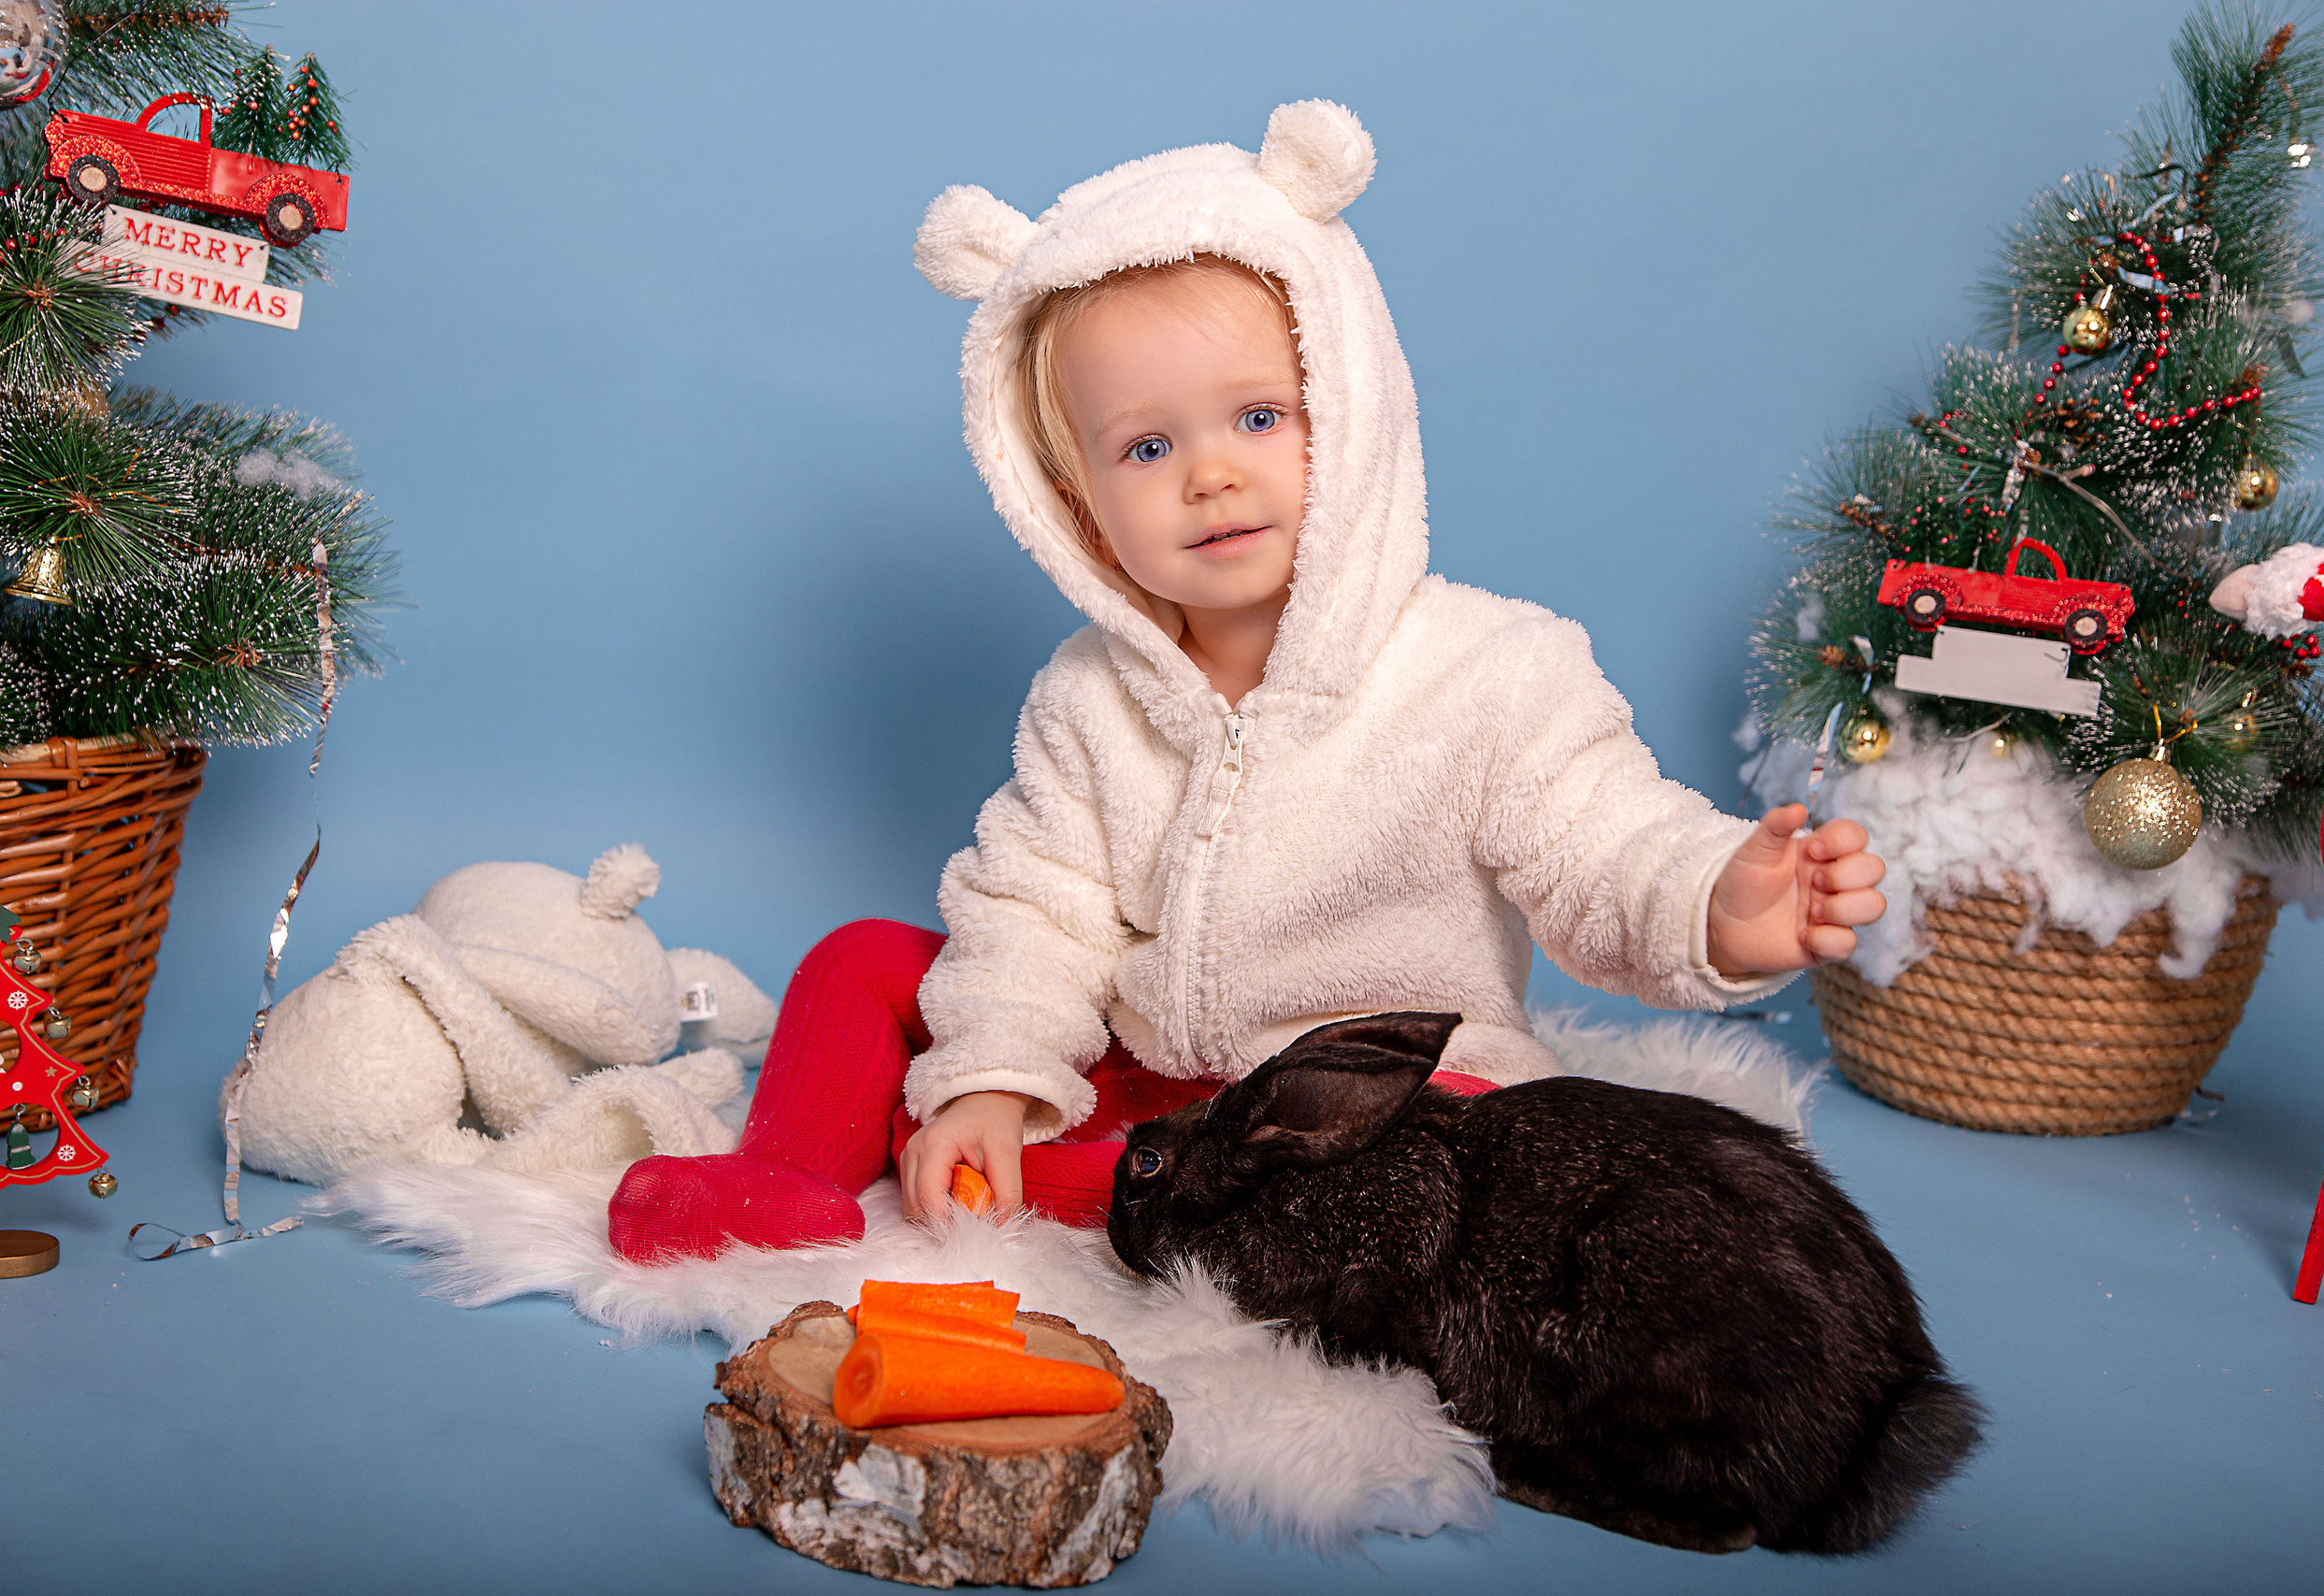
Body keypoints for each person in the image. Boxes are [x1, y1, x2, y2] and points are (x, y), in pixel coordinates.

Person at [606, 102, 1886, 1263]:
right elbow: (1037, 912)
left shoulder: (1492, 669)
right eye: (1149, 446)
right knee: (866, 960)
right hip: (1150, 1072)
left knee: (1416, 1178)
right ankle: (786, 1184)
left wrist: (1718, 902)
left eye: (1260, 418)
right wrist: (988, 1079)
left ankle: (1075, 1192)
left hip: (1369, 1107)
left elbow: (1606, 848)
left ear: (1354, 415)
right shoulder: (1089, 698)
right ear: (1083, 514)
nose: (1211, 476)